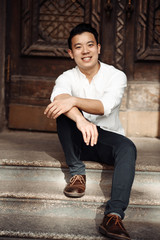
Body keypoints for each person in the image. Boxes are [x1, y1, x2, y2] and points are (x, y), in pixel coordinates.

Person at [44, 23, 137, 240]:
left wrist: (73, 101)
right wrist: (80, 120)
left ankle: (113, 216)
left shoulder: (116, 76)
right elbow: (58, 99)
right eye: (78, 47)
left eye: (90, 45)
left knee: (128, 147)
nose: (85, 51)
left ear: (98, 48)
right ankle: (77, 173)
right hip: (78, 139)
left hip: (105, 140)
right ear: (71, 53)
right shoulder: (66, 77)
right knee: (62, 112)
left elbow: (105, 106)